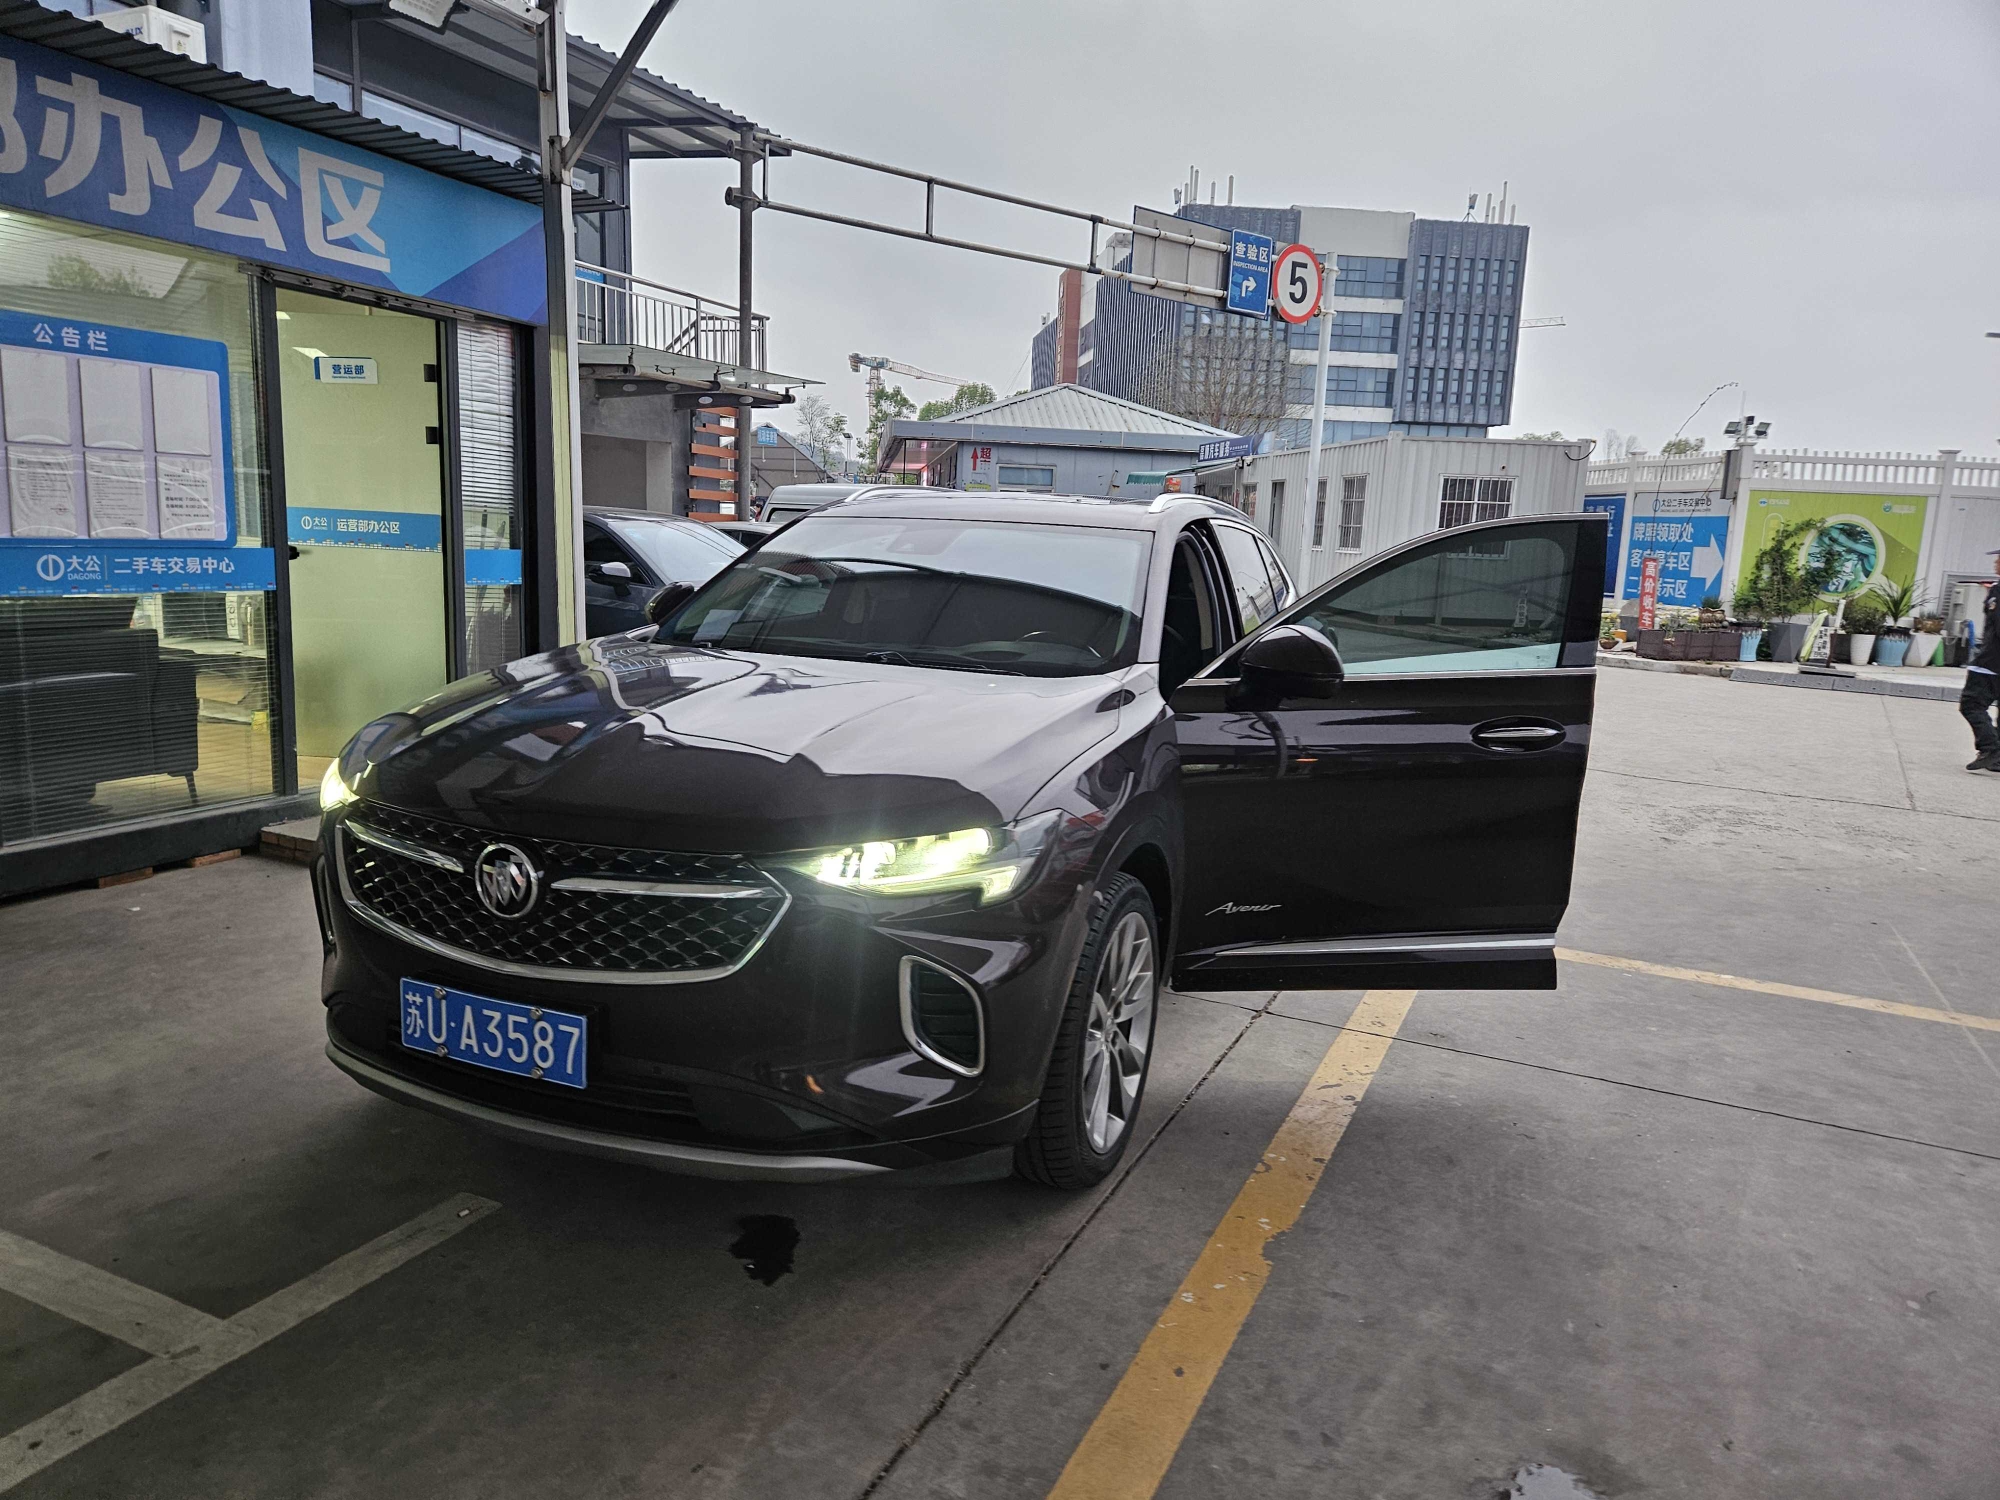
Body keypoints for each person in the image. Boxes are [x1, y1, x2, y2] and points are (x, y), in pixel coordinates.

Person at [1962, 547, 2000, 773]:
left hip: (1991, 661)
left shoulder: (1998, 591)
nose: (1996, 562)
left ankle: (1991, 748)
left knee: (1971, 703)